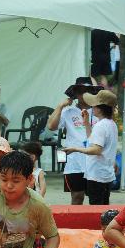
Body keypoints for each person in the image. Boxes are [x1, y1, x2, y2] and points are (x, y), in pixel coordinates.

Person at [47, 76, 101, 204]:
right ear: (75, 94)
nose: (84, 94)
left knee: (96, 199)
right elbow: (51, 126)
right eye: (81, 91)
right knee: (77, 197)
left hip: (96, 161)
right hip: (75, 162)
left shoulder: (99, 111)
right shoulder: (68, 112)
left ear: (93, 93)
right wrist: (60, 106)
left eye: (88, 90)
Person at [63, 90, 118, 205]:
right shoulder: (111, 124)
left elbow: (96, 149)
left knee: (96, 207)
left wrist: (75, 149)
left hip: (97, 175)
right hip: (106, 174)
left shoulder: (100, 125)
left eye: (94, 105)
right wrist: (86, 123)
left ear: (100, 108)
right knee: (103, 206)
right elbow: (92, 141)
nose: (92, 107)